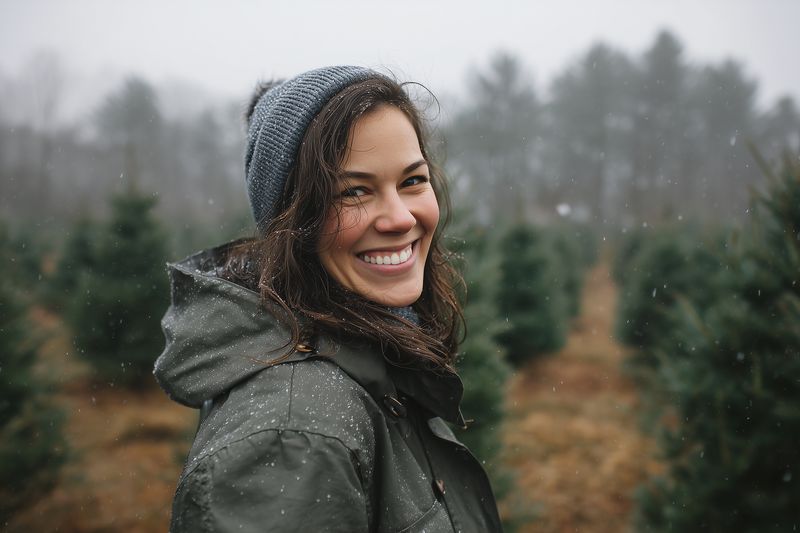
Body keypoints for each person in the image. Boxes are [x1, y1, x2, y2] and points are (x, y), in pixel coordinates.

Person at [154, 66, 503, 532]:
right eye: (354, 191)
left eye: (412, 181)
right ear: (290, 223)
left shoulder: (371, 364)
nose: (400, 218)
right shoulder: (294, 433)